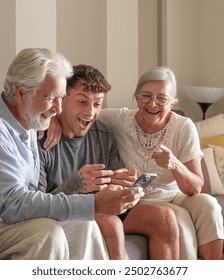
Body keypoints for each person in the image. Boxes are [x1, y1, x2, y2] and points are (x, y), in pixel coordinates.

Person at [0, 48, 144, 260]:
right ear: (20, 92)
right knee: (46, 233)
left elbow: (29, 197)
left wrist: (51, 116)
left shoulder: (29, 123)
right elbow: (13, 204)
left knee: (83, 224)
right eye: (51, 98)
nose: (58, 108)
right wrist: (92, 204)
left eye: (61, 98)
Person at [39, 64, 180, 260]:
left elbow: (115, 188)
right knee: (110, 222)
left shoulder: (104, 135)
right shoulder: (41, 137)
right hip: (66, 212)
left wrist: (124, 184)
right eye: (82, 101)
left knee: (164, 218)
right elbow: (33, 205)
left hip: (105, 208)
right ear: (62, 99)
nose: (90, 112)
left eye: (97, 104)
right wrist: (74, 185)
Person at [97, 67, 224, 260]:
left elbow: (195, 188)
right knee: (178, 218)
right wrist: (56, 123)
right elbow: (86, 112)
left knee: (209, 204)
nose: (152, 103)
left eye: (162, 98)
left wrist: (174, 164)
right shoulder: (119, 119)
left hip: (174, 194)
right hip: (140, 198)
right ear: (136, 97)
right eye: (145, 96)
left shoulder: (183, 127)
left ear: (173, 102)